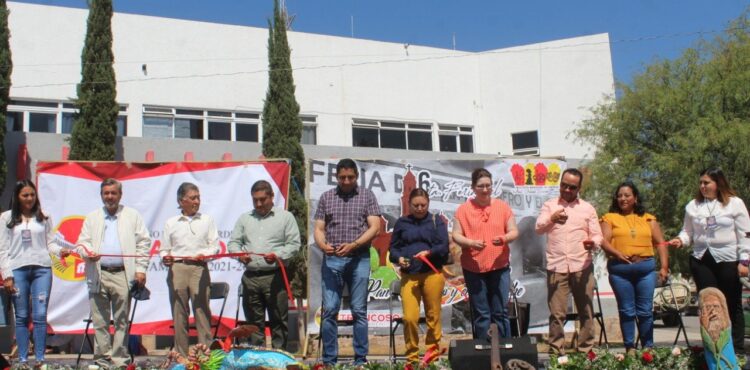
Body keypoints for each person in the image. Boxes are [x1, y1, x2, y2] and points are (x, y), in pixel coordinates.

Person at [669, 168, 750, 354]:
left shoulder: (734, 204)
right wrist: (681, 240)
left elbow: (745, 234)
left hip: (727, 259)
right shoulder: (693, 206)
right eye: (701, 183)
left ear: (718, 183)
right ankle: (712, 348)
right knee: (708, 304)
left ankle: (736, 350)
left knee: (730, 302)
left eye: (707, 183)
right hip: (702, 259)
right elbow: (688, 232)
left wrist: (744, 260)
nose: (703, 186)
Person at [75, 178, 151, 368]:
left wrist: (141, 269)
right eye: (106, 193)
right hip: (98, 273)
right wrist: (88, 253)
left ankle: (119, 360)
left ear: (120, 195)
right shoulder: (93, 217)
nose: (109, 196)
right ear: (101, 195)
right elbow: (81, 244)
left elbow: (143, 243)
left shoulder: (132, 216)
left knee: (121, 321)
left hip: (123, 274)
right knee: (100, 321)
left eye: (113, 193)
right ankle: (102, 360)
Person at [313, 158, 380, 367]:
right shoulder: (326, 197)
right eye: (342, 177)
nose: (346, 180)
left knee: (359, 310)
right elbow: (318, 228)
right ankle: (329, 361)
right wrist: (322, 245)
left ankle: (361, 360)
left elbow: (375, 226)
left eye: (350, 177)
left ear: (356, 176)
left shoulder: (367, 196)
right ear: (336, 177)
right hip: (332, 259)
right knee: (330, 309)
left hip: (359, 257)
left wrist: (354, 244)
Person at [0, 180, 69, 365]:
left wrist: (59, 251)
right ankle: (23, 360)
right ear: (17, 197)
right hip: (17, 271)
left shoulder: (44, 216)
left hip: (42, 270)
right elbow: (3, 249)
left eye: (32, 194)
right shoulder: (6, 218)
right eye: (25, 195)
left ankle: (40, 359)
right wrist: (7, 275)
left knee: (40, 316)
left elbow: (51, 243)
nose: (30, 198)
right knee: (21, 316)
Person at [535, 168, 602, 355]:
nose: (566, 190)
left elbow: (597, 236)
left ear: (579, 188)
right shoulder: (550, 205)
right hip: (557, 266)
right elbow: (539, 228)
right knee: (557, 314)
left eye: (572, 187)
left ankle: (585, 352)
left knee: (586, 311)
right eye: (563, 185)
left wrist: (592, 243)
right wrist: (552, 218)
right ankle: (557, 353)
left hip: (582, 265)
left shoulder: (587, 208)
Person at [228, 180, 300, 349]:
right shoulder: (245, 218)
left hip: (275, 276)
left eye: (262, 199)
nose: (259, 204)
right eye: (255, 200)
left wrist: (277, 256)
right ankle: (257, 359)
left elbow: (294, 244)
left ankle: (278, 358)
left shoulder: (285, 217)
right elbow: (233, 243)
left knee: (278, 320)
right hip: (251, 277)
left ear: (272, 196)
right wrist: (240, 255)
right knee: (253, 323)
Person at [599, 181, 669, 353]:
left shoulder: (648, 218)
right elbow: (602, 241)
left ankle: (648, 348)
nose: (623, 198)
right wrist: (616, 253)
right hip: (620, 271)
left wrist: (664, 267)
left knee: (645, 311)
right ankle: (630, 347)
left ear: (635, 198)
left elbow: (660, 243)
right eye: (620, 195)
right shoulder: (609, 218)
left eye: (627, 195)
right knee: (627, 311)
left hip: (645, 270)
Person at [452, 168, 519, 340]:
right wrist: (470, 243)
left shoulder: (502, 207)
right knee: (482, 313)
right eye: (481, 186)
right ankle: (483, 352)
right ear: (473, 187)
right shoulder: (463, 210)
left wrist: (504, 238)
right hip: (473, 268)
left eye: (488, 185)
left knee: (500, 311)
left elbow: (514, 231)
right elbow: (456, 235)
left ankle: (505, 349)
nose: (485, 189)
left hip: (499, 266)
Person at [388, 188, 449, 364]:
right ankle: (412, 358)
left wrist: (429, 252)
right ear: (409, 204)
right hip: (410, 276)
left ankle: (432, 356)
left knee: (433, 316)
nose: (420, 208)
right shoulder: (401, 223)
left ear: (428, 204)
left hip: (432, 274)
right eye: (416, 205)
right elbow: (393, 249)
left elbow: (443, 246)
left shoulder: (437, 221)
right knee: (410, 318)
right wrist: (399, 258)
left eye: (423, 205)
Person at [160, 182, 220, 356]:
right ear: (181, 201)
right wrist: (165, 257)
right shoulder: (171, 222)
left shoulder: (207, 220)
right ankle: (181, 356)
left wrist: (205, 254)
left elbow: (214, 246)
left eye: (198, 197)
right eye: (193, 198)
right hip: (177, 268)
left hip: (199, 268)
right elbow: (164, 248)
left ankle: (207, 356)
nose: (197, 201)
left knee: (201, 311)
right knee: (179, 313)